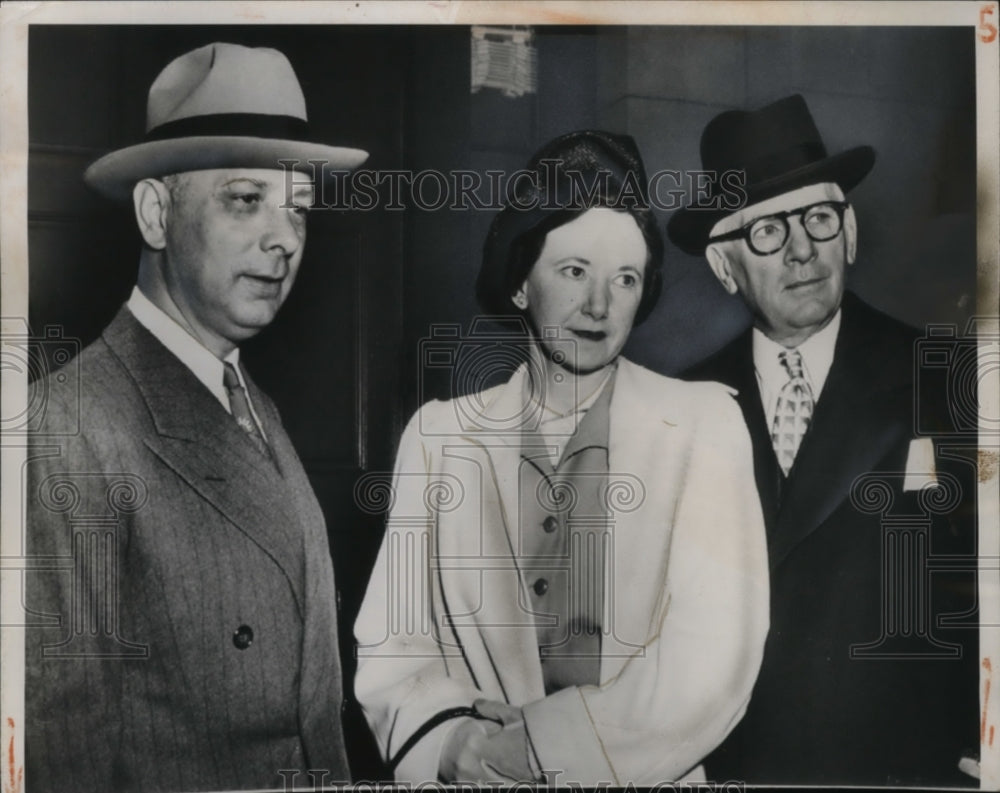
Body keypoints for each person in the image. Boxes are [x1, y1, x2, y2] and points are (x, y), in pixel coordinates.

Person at [354, 130, 769, 786]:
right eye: (574, 271)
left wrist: (547, 747)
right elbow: (393, 647)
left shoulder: (705, 427)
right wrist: (454, 745)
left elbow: (715, 660)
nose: (600, 306)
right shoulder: (438, 439)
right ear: (521, 284)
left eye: (624, 278)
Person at [25, 42, 368, 792]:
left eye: (298, 208)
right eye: (246, 199)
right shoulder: (70, 427)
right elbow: (62, 752)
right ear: (155, 211)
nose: (284, 238)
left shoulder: (255, 404)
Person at [669, 94, 979, 787]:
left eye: (816, 217)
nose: (802, 249)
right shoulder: (678, 410)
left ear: (850, 233)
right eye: (768, 232)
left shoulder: (952, 381)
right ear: (725, 267)